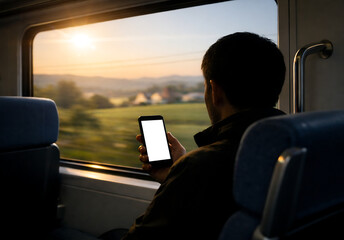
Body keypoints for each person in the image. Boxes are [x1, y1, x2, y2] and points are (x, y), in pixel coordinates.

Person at [122, 32, 286, 240]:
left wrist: (186, 170)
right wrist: (178, 171)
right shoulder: (291, 146)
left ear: (215, 91)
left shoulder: (201, 166)